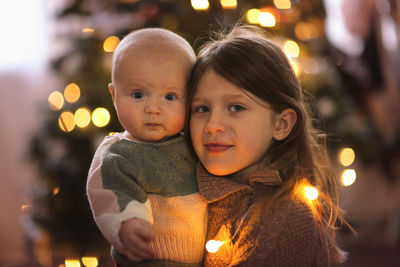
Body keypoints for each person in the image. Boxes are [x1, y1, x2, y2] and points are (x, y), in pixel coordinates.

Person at [185, 25, 350, 266]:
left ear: (281, 124)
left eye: (236, 107)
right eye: (202, 108)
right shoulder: (189, 196)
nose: (212, 125)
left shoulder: (286, 218)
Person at [86, 28, 207, 267]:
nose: (153, 108)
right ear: (114, 95)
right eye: (138, 94)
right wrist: (127, 225)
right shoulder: (118, 154)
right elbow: (109, 196)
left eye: (170, 97)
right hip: (148, 260)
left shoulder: (193, 144)